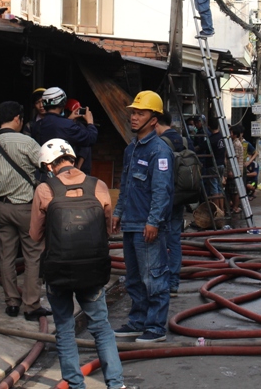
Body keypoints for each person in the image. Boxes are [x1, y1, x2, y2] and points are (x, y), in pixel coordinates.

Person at [29, 140, 134, 389]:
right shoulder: (98, 185)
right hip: (93, 269)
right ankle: (116, 384)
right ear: (73, 158)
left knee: (64, 329)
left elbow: (34, 235)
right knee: (101, 327)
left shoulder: (45, 189)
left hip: (58, 269)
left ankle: (76, 385)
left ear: (48, 165)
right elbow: (107, 229)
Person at [112, 91, 175, 343]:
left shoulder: (159, 151)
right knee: (135, 277)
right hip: (130, 222)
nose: (134, 117)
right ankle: (138, 321)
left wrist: (154, 222)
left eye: (140, 113)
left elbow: (162, 190)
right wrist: (118, 213)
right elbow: (125, 184)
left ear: (153, 119)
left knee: (154, 276)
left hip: (147, 225)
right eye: (133, 112)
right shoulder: (131, 149)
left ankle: (156, 327)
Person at [0, 101, 51, 320]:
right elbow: (46, 168)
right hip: (26, 208)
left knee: (6, 255)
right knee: (32, 255)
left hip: (2, 206)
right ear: (17, 119)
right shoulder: (28, 143)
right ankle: (31, 306)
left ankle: (12, 302)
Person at [156, 112, 188, 297]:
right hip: (180, 196)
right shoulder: (183, 140)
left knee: (159, 238)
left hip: (164, 197)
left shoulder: (160, 144)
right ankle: (174, 282)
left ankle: (162, 280)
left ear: (157, 124)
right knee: (174, 239)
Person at [31, 87, 98, 168]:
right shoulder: (67, 125)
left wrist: (69, 120)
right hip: (62, 171)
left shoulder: (36, 125)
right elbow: (90, 138)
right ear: (62, 103)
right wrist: (90, 122)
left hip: (44, 170)